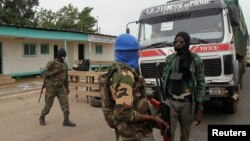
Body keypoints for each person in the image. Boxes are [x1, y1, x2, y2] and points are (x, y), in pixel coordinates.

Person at [109, 33, 168, 141]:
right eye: (136, 52)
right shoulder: (126, 77)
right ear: (129, 53)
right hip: (134, 131)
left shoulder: (116, 70)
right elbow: (123, 113)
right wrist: (152, 119)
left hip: (125, 129)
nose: (138, 55)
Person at [162, 31, 205, 141]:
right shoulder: (170, 59)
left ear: (187, 43)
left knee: (185, 135)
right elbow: (164, 81)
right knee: (168, 133)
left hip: (187, 103)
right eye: (175, 41)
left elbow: (201, 83)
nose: (178, 44)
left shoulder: (195, 59)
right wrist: (163, 102)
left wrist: (199, 109)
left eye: (181, 42)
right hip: (171, 102)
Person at [39, 48, 76, 127]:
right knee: (48, 106)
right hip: (51, 87)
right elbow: (44, 73)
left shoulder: (65, 65)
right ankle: (42, 117)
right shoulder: (52, 63)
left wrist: (67, 88)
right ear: (58, 56)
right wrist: (53, 73)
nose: (63, 59)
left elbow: (66, 78)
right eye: (61, 57)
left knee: (65, 104)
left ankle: (66, 120)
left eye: (64, 57)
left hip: (61, 88)